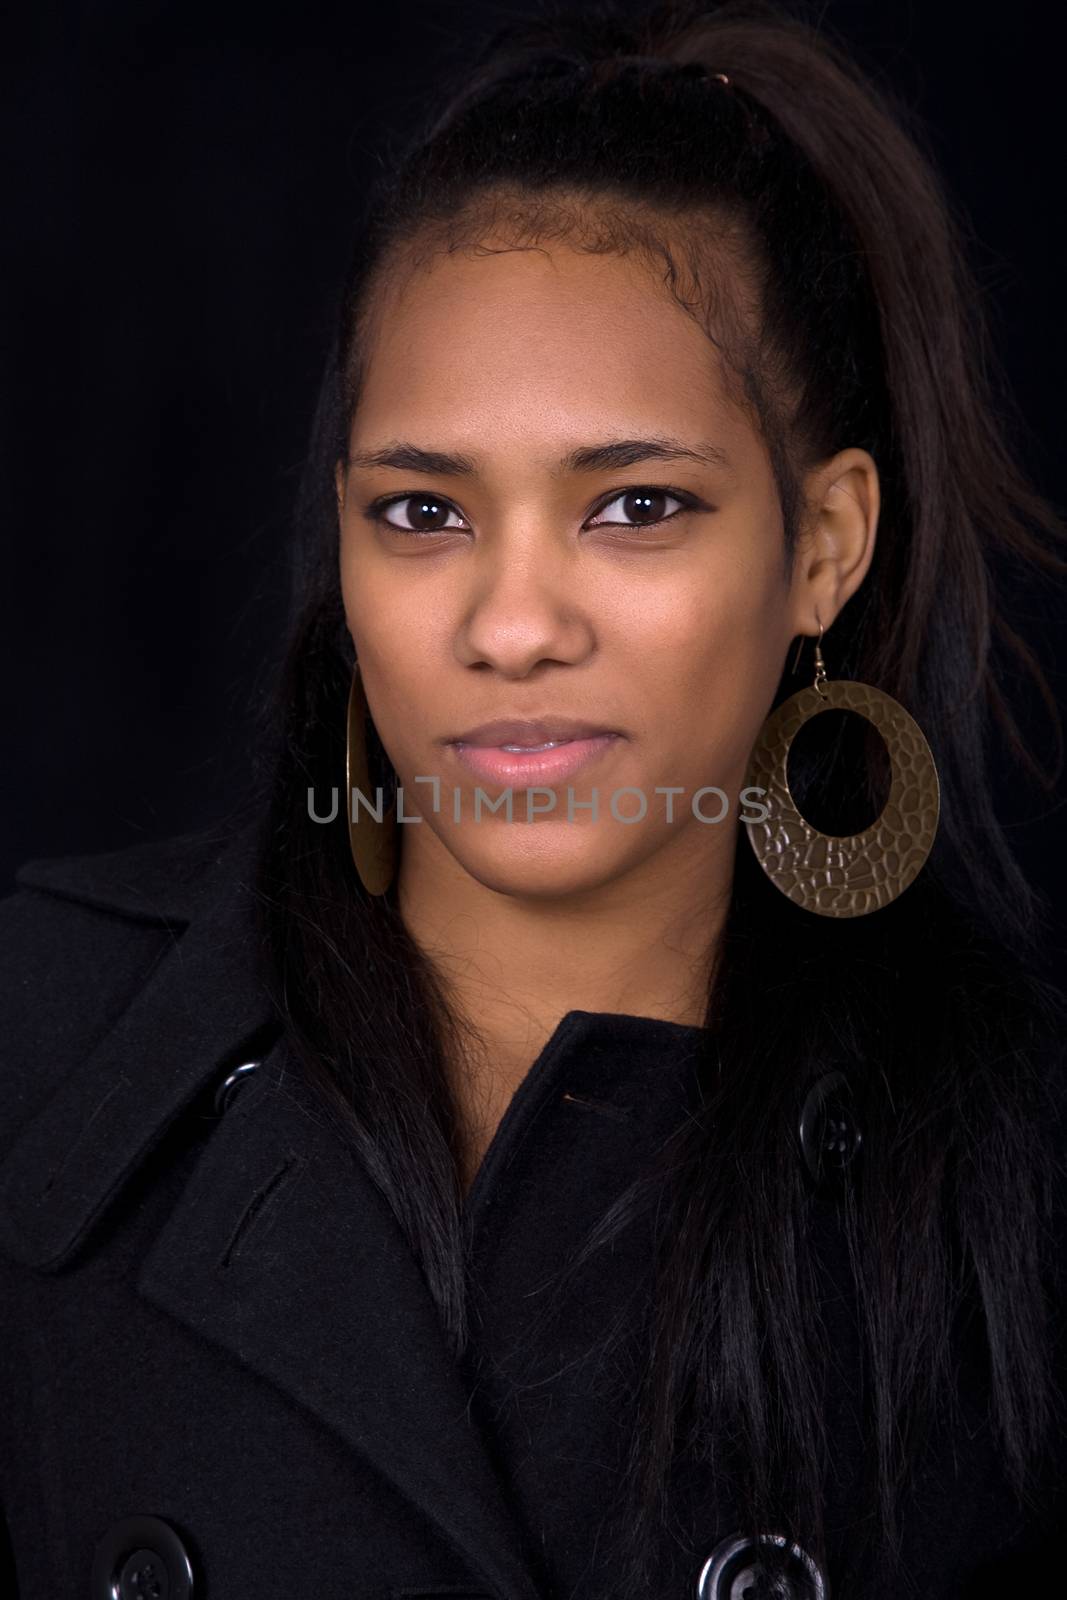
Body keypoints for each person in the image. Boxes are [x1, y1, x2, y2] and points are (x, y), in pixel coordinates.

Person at [2, 1, 1065, 1596]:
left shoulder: (1012, 1184)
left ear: (824, 548)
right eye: (425, 510)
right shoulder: (46, 1042)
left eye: (637, 506)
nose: (511, 625)